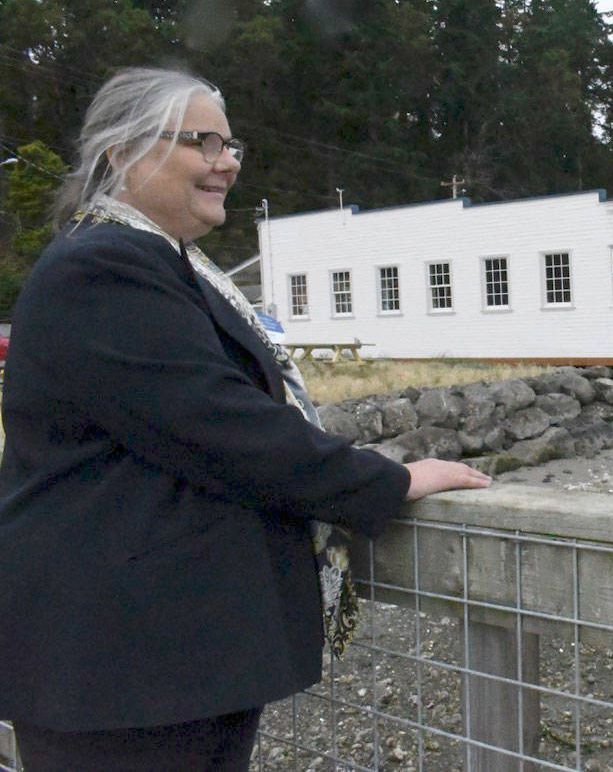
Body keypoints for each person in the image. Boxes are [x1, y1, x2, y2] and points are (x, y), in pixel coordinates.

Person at [0, 67, 491, 770]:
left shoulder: (150, 261)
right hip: (124, 672)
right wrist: (389, 480)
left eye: (232, 145)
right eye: (202, 142)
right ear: (121, 155)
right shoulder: (104, 267)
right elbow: (227, 428)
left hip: (148, 661)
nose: (225, 161)